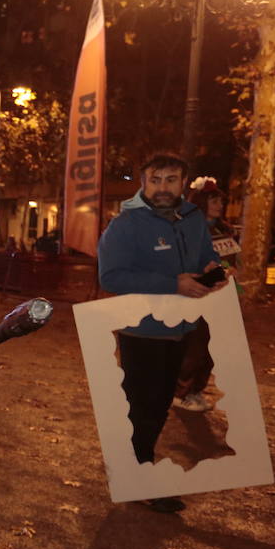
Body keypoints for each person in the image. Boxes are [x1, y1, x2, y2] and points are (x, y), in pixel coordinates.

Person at [98, 153, 226, 514]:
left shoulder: (193, 218)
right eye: (155, 180)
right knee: (145, 407)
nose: (163, 187)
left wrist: (211, 270)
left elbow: (204, 256)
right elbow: (111, 276)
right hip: (141, 330)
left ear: (183, 183)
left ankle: (132, 466)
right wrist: (173, 284)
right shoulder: (126, 224)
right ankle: (135, 477)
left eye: (171, 180)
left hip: (181, 327)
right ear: (143, 183)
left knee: (160, 405)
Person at [173, 180, 238, 411]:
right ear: (201, 202)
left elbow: (231, 259)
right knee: (194, 345)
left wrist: (231, 272)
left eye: (221, 200)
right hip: (196, 295)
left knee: (212, 347)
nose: (219, 205)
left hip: (220, 296)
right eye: (214, 200)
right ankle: (181, 392)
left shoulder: (224, 229)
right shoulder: (187, 229)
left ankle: (196, 390)